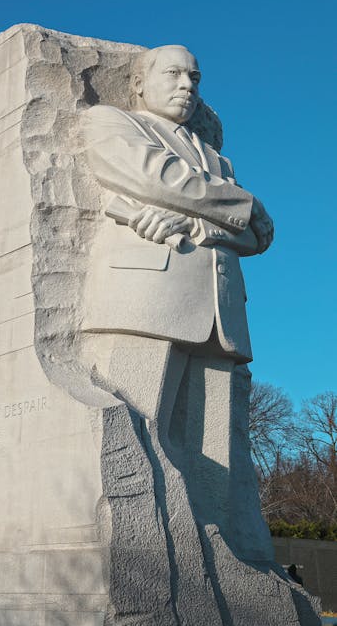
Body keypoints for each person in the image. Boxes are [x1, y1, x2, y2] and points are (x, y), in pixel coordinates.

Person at [79, 45, 274, 432]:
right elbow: (158, 177)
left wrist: (202, 226)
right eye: (173, 74)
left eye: (194, 78)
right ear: (138, 83)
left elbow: (256, 238)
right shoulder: (110, 122)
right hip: (147, 302)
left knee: (218, 469)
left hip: (222, 314)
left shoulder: (218, 161)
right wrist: (245, 202)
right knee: (134, 434)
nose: (187, 86)